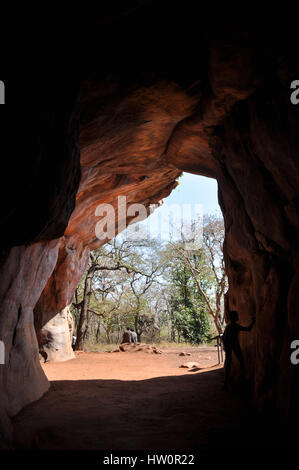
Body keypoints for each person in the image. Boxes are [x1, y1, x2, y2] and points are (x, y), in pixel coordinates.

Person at [222, 310, 255, 388]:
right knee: (241, 361)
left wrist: (226, 346)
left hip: (228, 345)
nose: (238, 317)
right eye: (236, 316)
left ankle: (226, 382)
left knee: (228, 362)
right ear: (234, 317)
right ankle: (242, 378)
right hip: (233, 345)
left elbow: (223, 337)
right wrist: (253, 321)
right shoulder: (234, 325)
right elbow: (248, 329)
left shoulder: (229, 325)